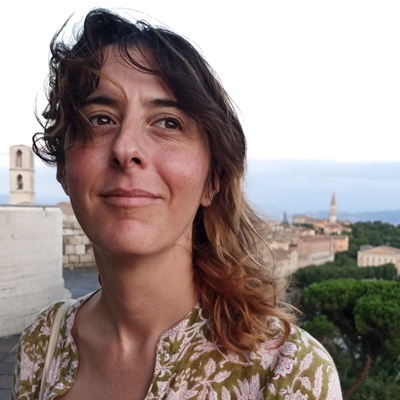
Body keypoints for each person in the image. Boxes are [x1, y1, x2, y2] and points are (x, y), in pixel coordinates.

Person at [12, 8, 342, 400]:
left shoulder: (289, 372)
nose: (126, 149)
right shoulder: (42, 343)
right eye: (100, 119)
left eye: (168, 122)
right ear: (63, 169)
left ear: (213, 180)